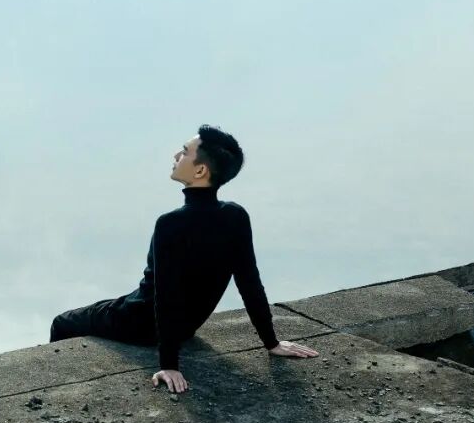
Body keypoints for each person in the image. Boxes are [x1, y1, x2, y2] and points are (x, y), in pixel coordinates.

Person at [49, 124, 318, 394]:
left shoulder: (170, 223)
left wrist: (169, 365)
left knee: (62, 322)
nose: (176, 155)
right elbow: (249, 283)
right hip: (186, 327)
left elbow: (166, 294)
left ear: (200, 171)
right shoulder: (236, 216)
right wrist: (271, 343)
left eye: (185, 152)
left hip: (137, 321)